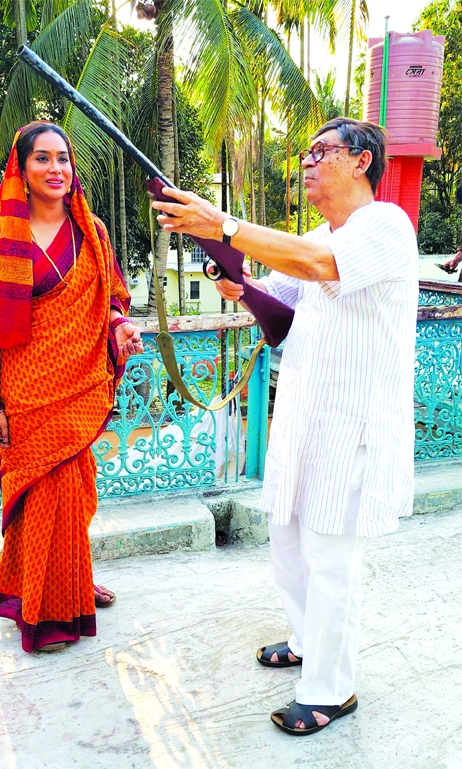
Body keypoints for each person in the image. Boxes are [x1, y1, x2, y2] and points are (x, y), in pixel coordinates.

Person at [152, 117, 418, 735]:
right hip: (303, 419)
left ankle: (332, 688)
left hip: (354, 423)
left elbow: (320, 266)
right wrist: (233, 278)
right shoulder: (315, 233)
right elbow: (277, 301)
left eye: (321, 152)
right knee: (289, 542)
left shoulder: (385, 226)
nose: (307, 162)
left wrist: (221, 224)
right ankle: (306, 643)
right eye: (306, 153)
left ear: (361, 160)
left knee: (330, 556)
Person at [0, 121, 143, 652]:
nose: (55, 169)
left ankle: (73, 579)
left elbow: (112, 297)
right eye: (42, 159)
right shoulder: (1, 240)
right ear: (21, 170)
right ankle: (43, 612)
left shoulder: (92, 232)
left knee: (75, 491)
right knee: (43, 494)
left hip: (80, 383)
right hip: (26, 393)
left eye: (63, 159)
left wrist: (119, 325)